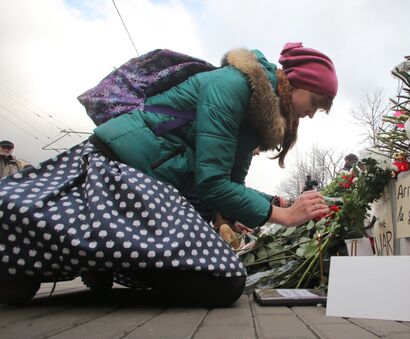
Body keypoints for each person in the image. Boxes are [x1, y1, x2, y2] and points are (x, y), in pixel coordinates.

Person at [0, 42, 336, 306]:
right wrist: (284, 216)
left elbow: (229, 186)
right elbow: (212, 183)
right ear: (294, 83)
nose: (312, 113)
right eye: (316, 101)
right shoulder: (232, 86)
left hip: (148, 184)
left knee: (222, 280)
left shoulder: (256, 120)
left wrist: (283, 203)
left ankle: (99, 258)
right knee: (224, 283)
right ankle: (99, 257)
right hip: (118, 169)